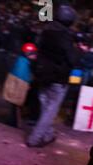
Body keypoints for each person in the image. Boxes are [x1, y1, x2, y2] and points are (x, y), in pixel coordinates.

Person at [26, 4, 79, 148]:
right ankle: (35, 138)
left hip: (42, 74)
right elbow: (72, 59)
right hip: (57, 78)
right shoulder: (65, 36)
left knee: (45, 106)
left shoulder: (46, 31)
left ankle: (48, 134)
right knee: (50, 110)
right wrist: (78, 51)